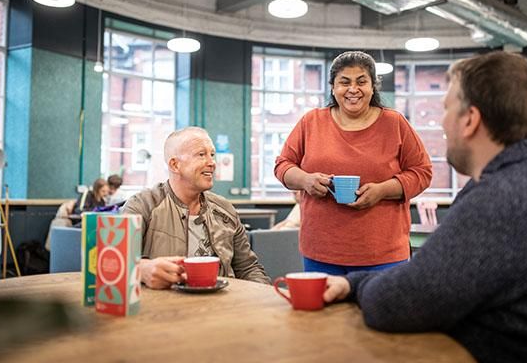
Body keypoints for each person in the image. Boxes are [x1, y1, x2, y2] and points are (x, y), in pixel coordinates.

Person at [323, 51, 527, 362]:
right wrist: (355, 282)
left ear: (470, 120)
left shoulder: (502, 200)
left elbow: (396, 306)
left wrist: (353, 285)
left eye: (446, 109)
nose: (442, 123)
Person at [274, 51, 432, 274]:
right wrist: (305, 180)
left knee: (379, 310)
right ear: (333, 87)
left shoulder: (394, 123)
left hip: (383, 252)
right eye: (344, 82)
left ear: (373, 86)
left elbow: (422, 172)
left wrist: (383, 190)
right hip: (321, 250)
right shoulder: (312, 122)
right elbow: (283, 165)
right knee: (326, 310)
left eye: (361, 81)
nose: (353, 89)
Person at [123, 127, 270, 289]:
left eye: (212, 155)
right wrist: (141, 269)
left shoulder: (225, 210)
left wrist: (266, 296)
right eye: (201, 155)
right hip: (165, 309)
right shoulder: (142, 205)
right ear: (175, 165)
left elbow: (248, 268)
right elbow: (113, 262)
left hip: (222, 307)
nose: (212, 163)